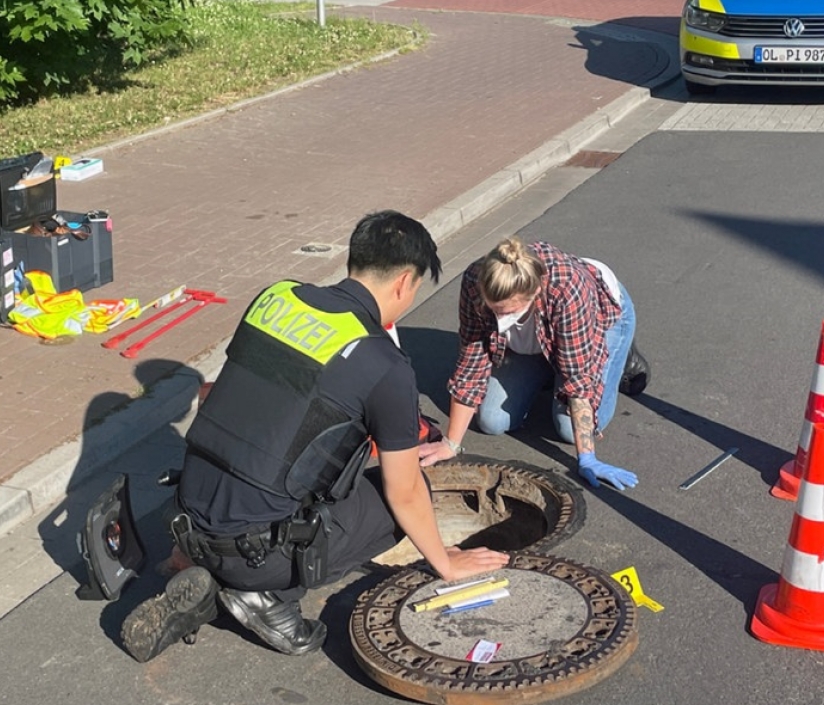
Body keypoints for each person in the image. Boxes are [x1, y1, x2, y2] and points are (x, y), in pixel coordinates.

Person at [121, 211, 510, 663]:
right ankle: (265, 595)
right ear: (405, 281)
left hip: (186, 519)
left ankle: (199, 565)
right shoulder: (384, 363)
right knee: (407, 491)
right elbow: (403, 491)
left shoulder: (276, 298)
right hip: (256, 553)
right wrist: (446, 562)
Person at [417, 238, 648, 490]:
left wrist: (587, 458)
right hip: (535, 334)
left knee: (569, 431)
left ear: (535, 292)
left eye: (508, 312)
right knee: (493, 421)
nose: (499, 319)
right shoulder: (476, 279)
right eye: (494, 310)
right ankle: (550, 362)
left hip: (598, 315)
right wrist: (451, 443)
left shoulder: (568, 289)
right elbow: (472, 360)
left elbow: (579, 381)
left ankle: (620, 354)